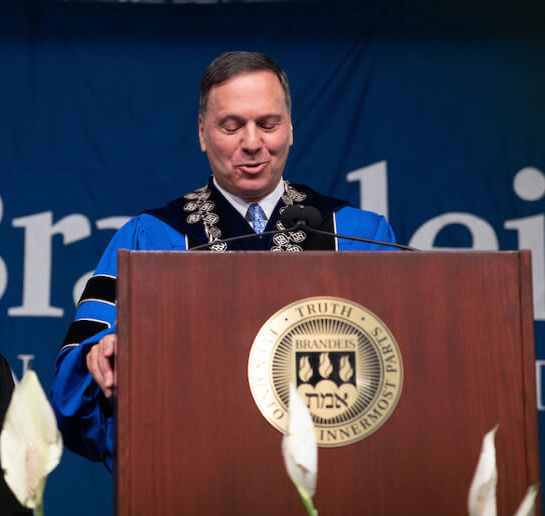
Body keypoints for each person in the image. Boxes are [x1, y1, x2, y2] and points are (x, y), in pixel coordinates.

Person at [51, 51, 397, 470]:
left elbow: (402, 372)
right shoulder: (149, 238)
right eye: (231, 126)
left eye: (268, 124)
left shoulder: (356, 234)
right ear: (202, 133)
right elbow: (75, 387)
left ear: (290, 130)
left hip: (336, 477)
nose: (252, 143)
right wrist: (103, 354)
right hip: (193, 475)